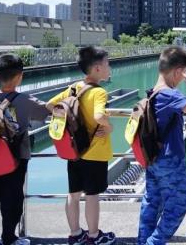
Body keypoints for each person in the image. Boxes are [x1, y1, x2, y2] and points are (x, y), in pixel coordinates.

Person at [47, 46, 115, 245]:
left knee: (74, 193)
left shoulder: (74, 88)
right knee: (92, 195)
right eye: (107, 64)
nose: (109, 67)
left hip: (74, 150)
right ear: (97, 68)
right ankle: (94, 236)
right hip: (94, 152)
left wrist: (71, 125)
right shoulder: (99, 92)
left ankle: (75, 234)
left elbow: (50, 105)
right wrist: (109, 127)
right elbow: (99, 116)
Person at [137, 46, 186, 245]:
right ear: (177, 72)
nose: (184, 78)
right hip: (169, 159)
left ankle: (143, 241)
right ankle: (153, 242)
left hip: (153, 157)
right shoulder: (169, 94)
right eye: (184, 74)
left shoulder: (153, 92)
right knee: (180, 204)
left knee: (152, 201)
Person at [0, 54, 49, 245]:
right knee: (13, 200)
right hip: (16, 159)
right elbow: (46, 111)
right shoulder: (25, 100)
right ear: (20, 77)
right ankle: (9, 238)